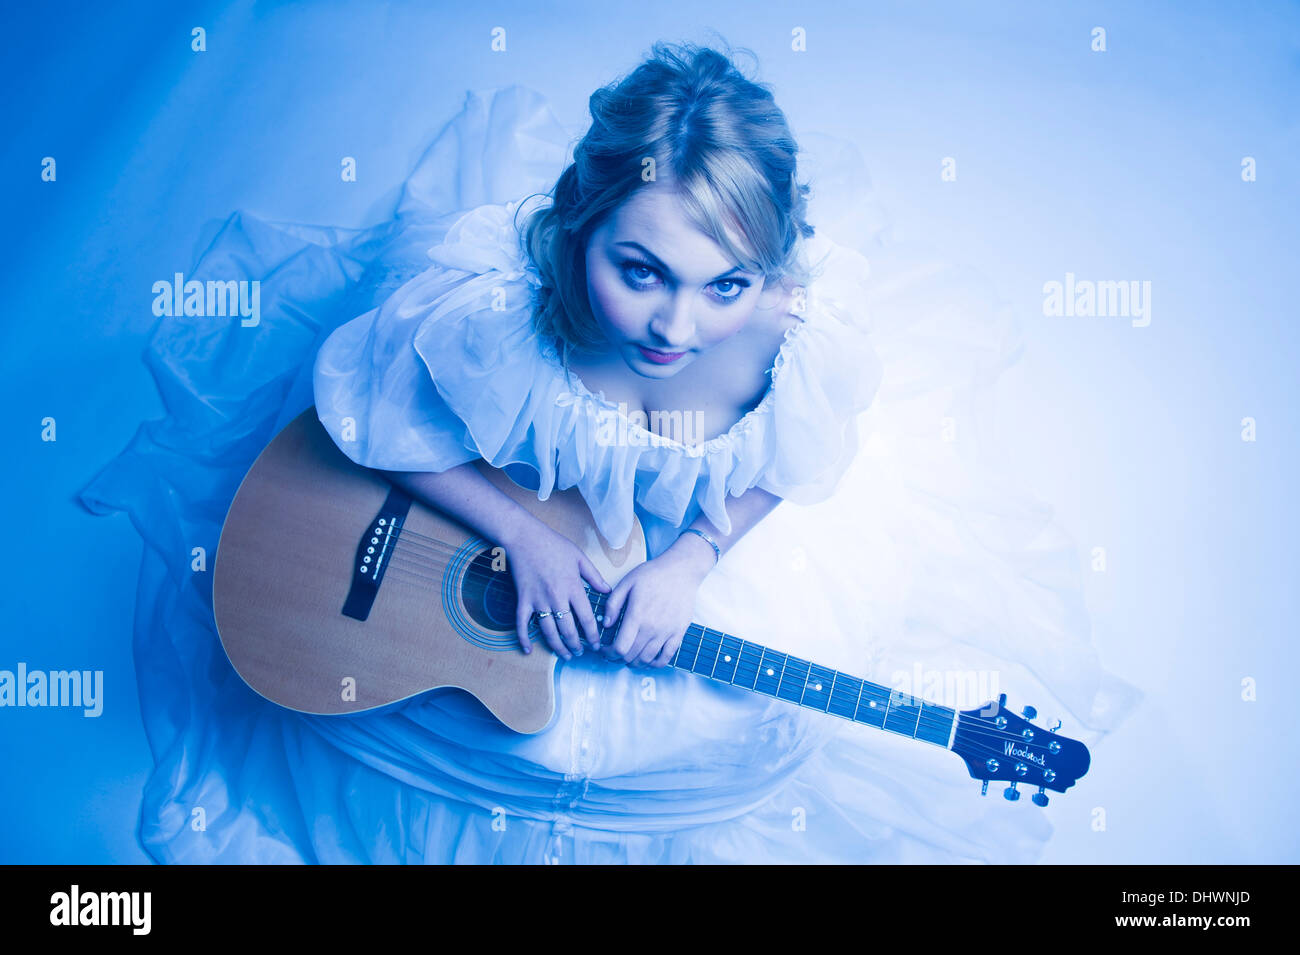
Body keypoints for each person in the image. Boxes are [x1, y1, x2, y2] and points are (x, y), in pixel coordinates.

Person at [81, 40, 1139, 864]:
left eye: (722, 284)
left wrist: (691, 558)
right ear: (579, 226)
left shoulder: (787, 341)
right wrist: (516, 540)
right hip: (501, 524)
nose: (674, 325)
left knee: (706, 745)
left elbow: (784, 459)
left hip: (665, 549)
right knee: (444, 709)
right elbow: (375, 421)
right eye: (640, 270)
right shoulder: (492, 322)